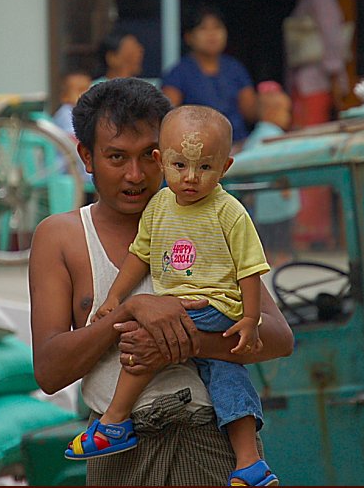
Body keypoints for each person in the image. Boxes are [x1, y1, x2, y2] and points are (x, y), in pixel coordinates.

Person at [29, 78, 294, 486]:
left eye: (147, 158)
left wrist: (177, 344)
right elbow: (49, 371)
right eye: (116, 157)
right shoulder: (61, 238)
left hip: (207, 437)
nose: (135, 175)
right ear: (86, 156)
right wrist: (132, 311)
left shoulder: (215, 218)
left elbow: (277, 337)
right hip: (118, 449)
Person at [283, 0, 348, 250]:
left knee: (312, 153)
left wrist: (336, 80)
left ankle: (314, 233)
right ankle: (309, 230)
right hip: (306, 85)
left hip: (317, 86)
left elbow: (333, 42)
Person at [161, 5, 258, 149]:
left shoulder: (234, 68)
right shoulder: (179, 73)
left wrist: (268, 102)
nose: (212, 34)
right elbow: (167, 120)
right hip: (199, 150)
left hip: (240, 146)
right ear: (189, 37)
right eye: (203, 28)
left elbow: (251, 112)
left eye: (217, 27)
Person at [241, 82, 300, 267]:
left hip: (264, 200)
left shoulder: (255, 137)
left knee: (268, 232)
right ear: (272, 112)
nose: (288, 117)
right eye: (286, 112)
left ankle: (271, 256)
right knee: (279, 232)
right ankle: (279, 257)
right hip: (277, 197)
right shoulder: (273, 137)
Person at [53, 70, 93, 137]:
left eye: (89, 89)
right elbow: (73, 140)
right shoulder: (65, 114)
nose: (87, 94)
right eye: (81, 90)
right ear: (65, 97)